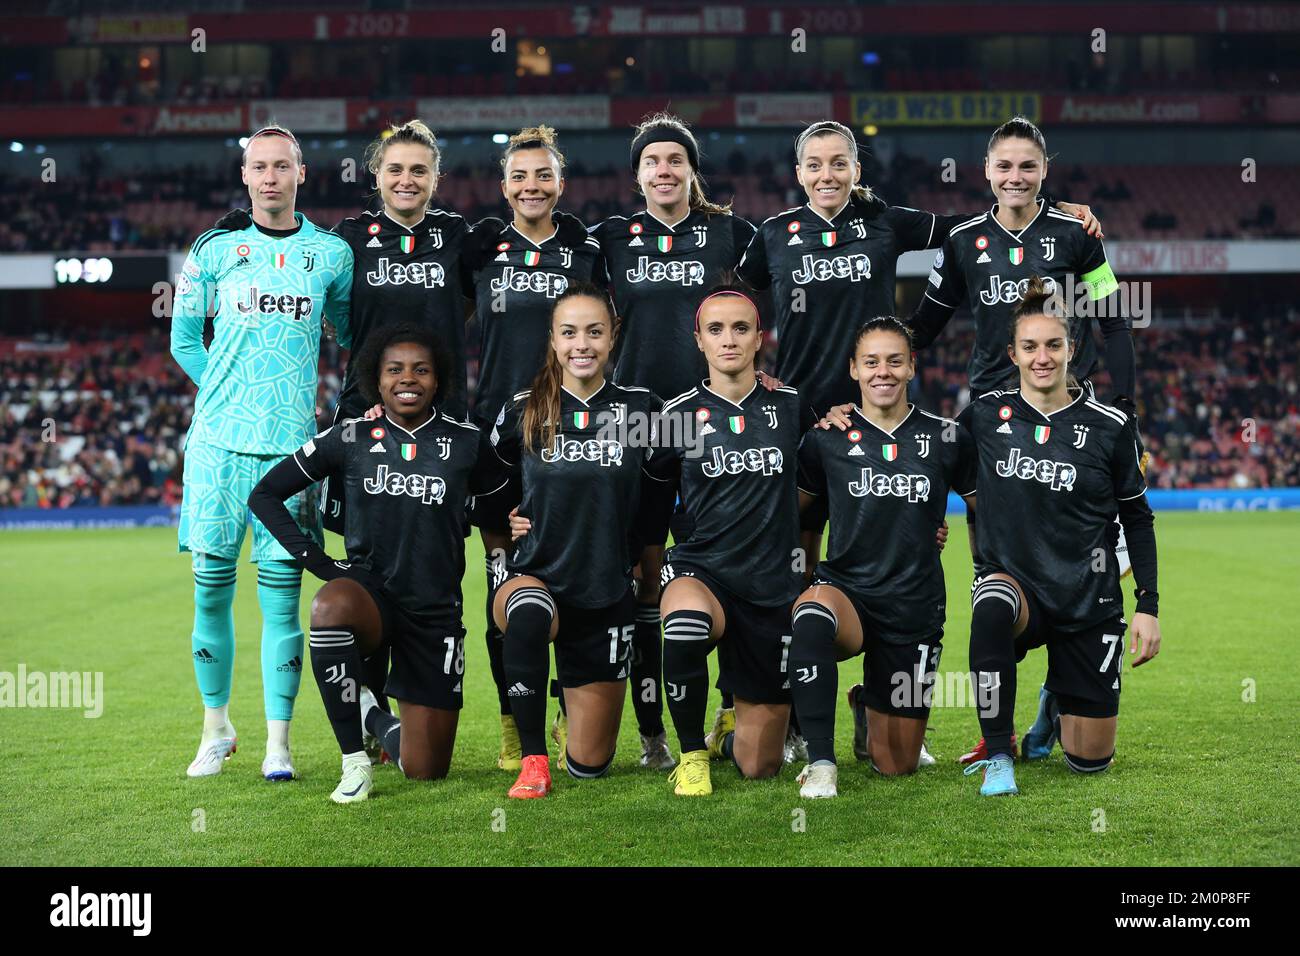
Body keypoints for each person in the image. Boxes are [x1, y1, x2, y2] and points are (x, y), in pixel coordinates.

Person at [735, 119, 1100, 718]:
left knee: (901, 556)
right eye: (815, 165)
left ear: (856, 169)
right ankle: (785, 704)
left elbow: (974, 229)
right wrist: (752, 375)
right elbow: (731, 298)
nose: (827, 175)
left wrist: (1053, 207)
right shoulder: (774, 233)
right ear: (798, 173)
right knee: (792, 564)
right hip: (804, 422)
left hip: (882, 415)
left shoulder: (887, 221)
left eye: (839, 163)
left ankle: (883, 693)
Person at [908, 116, 1142, 764]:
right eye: (1004, 166)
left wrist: (1124, 409)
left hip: (1071, 418)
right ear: (987, 172)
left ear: (1044, 170)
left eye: (1027, 166)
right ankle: (998, 731)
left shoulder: (1076, 234)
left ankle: (1065, 687)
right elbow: (923, 328)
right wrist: (868, 367)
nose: (1015, 177)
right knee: (997, 576)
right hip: (992, 427)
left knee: (1088, 560)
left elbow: (1114, 322)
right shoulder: (963, 242)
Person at [248, 324, 503, 802]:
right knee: (329, 607)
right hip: (371, 596)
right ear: (377, 379)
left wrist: (509, 552)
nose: (408, 379)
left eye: (421, 370)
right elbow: (265, 494)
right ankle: (354, 763)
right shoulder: (351, 435)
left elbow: (500, 512)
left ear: (438, 379)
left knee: (426, 771)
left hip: (435, 612)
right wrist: (320, 563)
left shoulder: (468, 443)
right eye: (395, 370)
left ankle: (370, 712)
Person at [170, 125, 352, 781]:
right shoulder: (215, 250)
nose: (270, 176)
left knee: (281, 601)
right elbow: (184, 338)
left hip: (290, 457)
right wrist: (228, 396)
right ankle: (216, 729)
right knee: (211, 593)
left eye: (282, 166)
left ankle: (280, 742)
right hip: (217, 448)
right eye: (259, 167)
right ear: (245, 177)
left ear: (301, 173)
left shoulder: (331, 256)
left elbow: (351, 340)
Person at [591, 112, 765, 770]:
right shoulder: (609, 238)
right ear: (636, 175)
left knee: (729, 567)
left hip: (715, 431)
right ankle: (650, 734)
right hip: (637, 432)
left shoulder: (731, 234)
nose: (663, 171)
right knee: (640, 579)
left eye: (674, 160)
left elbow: (786, 269)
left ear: (691, 169)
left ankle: (728, 704)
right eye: (652, 161)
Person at [956, 278, 1160, 796]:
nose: (1041, 357)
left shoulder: (1111, 427)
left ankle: (1056, 699)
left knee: (1089, 764)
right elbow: (920, 454)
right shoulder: (984, 414)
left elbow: (1137, 518)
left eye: (1052, 345)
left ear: (1072, 348)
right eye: (1029, 346)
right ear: (1013, 353)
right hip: (1017, 588)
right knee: (992, 604)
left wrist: (1148, 605)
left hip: (1088, 598)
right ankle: (999, 752)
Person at [461, 125, 607, 773]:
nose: (531, 186)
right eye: (519, 177)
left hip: (570, 439)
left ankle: (564, 699)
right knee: (503, 585)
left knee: (572, 576)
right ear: (503, 186)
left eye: (542, 175)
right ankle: (511, 721)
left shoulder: (585, 250)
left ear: (560, 182)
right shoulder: (481, 249)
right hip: (498, 448)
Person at [488, 283, 664, 798]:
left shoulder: (643, 411)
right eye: (568, 333)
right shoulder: (521, 410)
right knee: (528, 613)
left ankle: (571, 715)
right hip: (534, 577)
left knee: (591, 765)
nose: (581, 343)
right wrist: (506, 529)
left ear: (613, 338)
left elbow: (664, 498)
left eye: (594, 331)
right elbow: (481, 489)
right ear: (552, 340)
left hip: (605, 593)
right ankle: (533, 758)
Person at [789, 317, 975, 798]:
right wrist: (803, 575)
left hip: (913, 603)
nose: (882, 371)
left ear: (913, 366)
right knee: (811, 616)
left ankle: (865, 704)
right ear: (853, 368)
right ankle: (821, 764)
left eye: (895, 360)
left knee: (896, 765)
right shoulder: (826, 437)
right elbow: (797, 514)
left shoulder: (947, 437)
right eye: (871, 361)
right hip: (848, 592)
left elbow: (986, 509)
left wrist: (986, 570)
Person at [655, 286, 813, 795]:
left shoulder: (792, 409)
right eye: (716, 330)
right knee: (683, 628)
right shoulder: (675, 416)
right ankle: (692, 754)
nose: (729, 340)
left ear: (759, 339)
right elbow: (647, 508)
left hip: (771, 586)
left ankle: (727, 738)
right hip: (703, 572)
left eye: (741, 328)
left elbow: (823, 486)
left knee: (759, 765)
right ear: (698, 340)